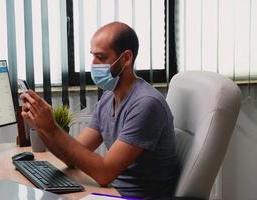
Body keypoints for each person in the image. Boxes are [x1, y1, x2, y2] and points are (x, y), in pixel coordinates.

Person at [20, 21, 178, 199]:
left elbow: (104, 174)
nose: (93, 64)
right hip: (113, 190)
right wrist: (41, 127)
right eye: (92, 56)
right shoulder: (108, 98)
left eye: (101, 58)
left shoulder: (146, 104)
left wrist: (52, 128)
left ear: (126, 58)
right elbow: (71, 157)